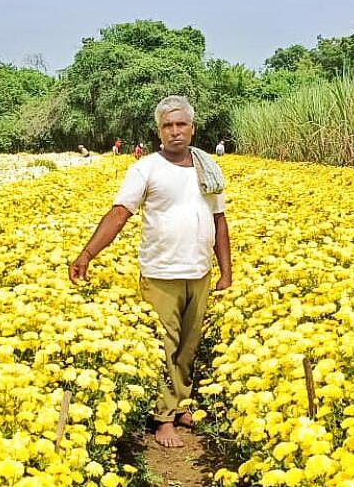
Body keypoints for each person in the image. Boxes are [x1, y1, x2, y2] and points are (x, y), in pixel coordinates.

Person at [69, 95, 232, 449]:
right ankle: (162, 418)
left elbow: (219, 221)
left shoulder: (207, 168)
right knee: (165, 346)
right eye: (167, 125)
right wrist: (87, 254)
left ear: (192, 128)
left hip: (199, 271)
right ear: (159, 131)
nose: (175, 131)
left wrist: (226, 272)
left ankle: (181, 404)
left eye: (181, 124)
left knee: (188, 346)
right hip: (161, 272)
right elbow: (119, 213)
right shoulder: (146, 169)